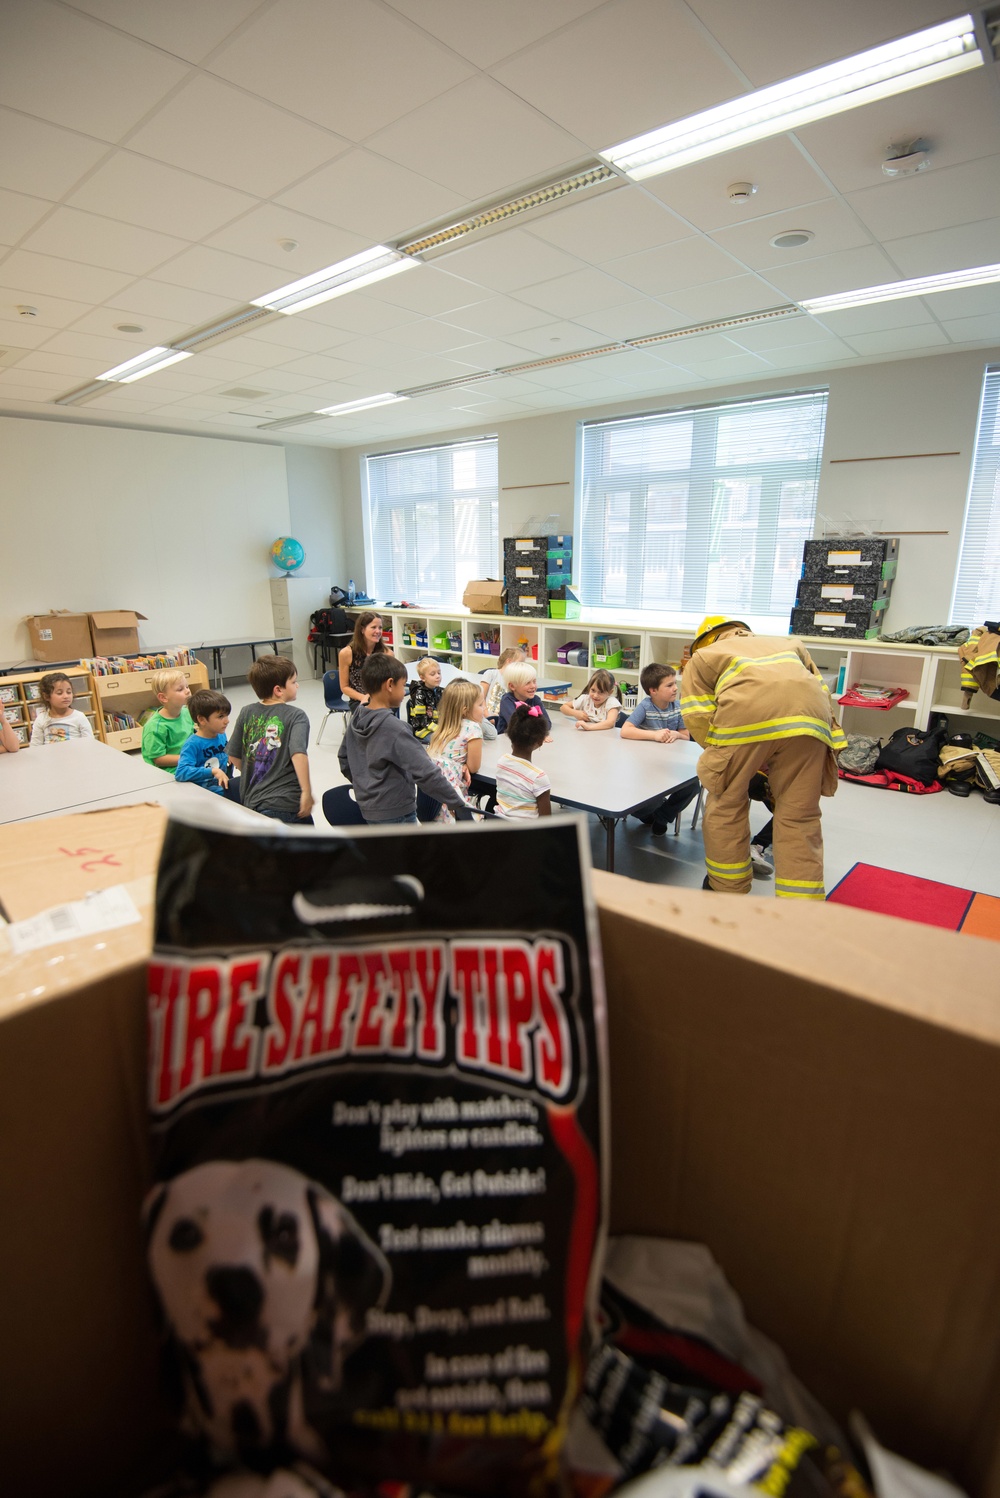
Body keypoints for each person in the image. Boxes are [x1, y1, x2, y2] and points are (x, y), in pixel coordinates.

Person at [680, 616, 846, 897]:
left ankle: (726, 891)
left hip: (744, 718)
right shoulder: (791, 644)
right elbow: (821, 693)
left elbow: (697, 718)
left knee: (726, 806)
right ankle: (801, 905)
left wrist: (725, 757)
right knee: (800, 817)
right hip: (811, 725)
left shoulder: (704, 656)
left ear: (705, 640)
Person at [338, 653, 469, 825]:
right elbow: (426, 773)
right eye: (403, 686)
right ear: (390, 684)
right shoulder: (395, 729)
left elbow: (344, 758)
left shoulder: (357, 717)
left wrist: (366, 786)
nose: (405, 691)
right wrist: (457, 803)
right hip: (397, 811)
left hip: (370, 808)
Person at [228, 656, 313, 823]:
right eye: (294, 681)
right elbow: (298, 755)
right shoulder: (296, 716)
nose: (297, 685)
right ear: (278, 690)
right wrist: (306, 791)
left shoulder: (246, 712)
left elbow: (234, 756)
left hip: (252, 802)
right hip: (285, 803)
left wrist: (258, 772)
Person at [621, 663, 701, 836]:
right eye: (669, 685)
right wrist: (654, 735)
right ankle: (652, 814)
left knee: (693, 786)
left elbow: (685, 736)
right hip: (648, 766)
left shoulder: (678, 706)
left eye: (675, 683)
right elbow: (625, 730)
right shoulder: (645, 706)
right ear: (653, 691)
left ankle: (662, 817)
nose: (675, 688)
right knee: (640, 803)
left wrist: (676, 734)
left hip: (672, 762)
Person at [427, 679, 485, 822]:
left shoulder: (441, 729)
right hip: (453, 805)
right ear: (465, 710)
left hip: (432, 804)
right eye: (481, 704)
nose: (485, 708)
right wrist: (465, 766)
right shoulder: (473, 728)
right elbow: (474, 767)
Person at [495, 704, 551, 819]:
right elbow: (546, 821)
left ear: (510, 734)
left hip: (499, 829)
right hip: (525, 835)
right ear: (540, 741)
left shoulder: (502, 762)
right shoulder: (538, 777)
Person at [175, 689, 232, 796]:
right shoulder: (192, 744)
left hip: (224, 786)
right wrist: (213, 771)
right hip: (206, 793)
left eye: (226, 715)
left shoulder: (221, 734)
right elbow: (181, 772)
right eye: (221, 716)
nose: (227, 721)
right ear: (202, 720)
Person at [141, 669, 193, 774]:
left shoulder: (187, 712)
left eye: (187, 686)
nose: (187, 691)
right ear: (163, 697)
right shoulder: (155, 726)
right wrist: (190, 758)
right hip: (170, 770)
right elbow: (159, 759)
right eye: (180, 689)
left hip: (188, 761)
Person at [339, 610, 391, 710]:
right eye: (373, 627)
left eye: (380, 628)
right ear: (362, 630)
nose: (378, 631)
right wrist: (363, 697)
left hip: (382, 699)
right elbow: (344, 687)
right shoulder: (347, 653)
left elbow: (391, 682)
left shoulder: (387, 653)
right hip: (359, 700)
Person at [29, 672, 95, 745]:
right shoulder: (41, 719)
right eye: (59, 693)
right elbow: (35, 746)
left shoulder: (79, 717)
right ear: (46, 696)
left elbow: (89, 743)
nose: (66, 696)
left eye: (69, 692)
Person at [496, 661, 552, 738]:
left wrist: (538, 733)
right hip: (507, 740)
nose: (533, 686)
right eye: (527, 683)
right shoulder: (507, 701)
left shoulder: (535, 699)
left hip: (528, 740)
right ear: (512, 686)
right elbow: (517, 727)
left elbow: (547, 723)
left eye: (534, 681)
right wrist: (539, 731)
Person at [483, 647, 525, 721]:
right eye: (520, 663)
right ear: (509, 661)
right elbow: (480, 698)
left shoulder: (516, 680)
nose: (522, 666)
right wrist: (487, 716)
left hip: (503, 720)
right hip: (486, 718)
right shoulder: (491, 674)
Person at [407, 657, 444, 741]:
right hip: (422, 729)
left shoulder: (439, 690)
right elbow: (421, 720)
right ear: (423, 678)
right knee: (442, 740)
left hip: (436, 725)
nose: (438, 676)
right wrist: (439, 729)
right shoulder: (419, 694)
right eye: (433, 674)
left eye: (439, 673)